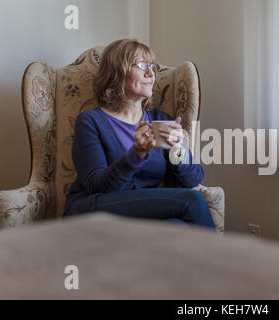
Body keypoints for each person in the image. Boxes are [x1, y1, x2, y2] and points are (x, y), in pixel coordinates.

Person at [63, 39, 215, 230]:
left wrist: (180, 151)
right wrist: (137, 154)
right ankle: (225, 260)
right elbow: (97, 186)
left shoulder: (160, 120)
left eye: (152, 67)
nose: (151, 73)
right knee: (192, 201)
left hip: (141, 214)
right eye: (142, 65)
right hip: (95, 208)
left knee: (176, 227)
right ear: (117, 72)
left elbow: (193, 179)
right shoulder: (90, 121)